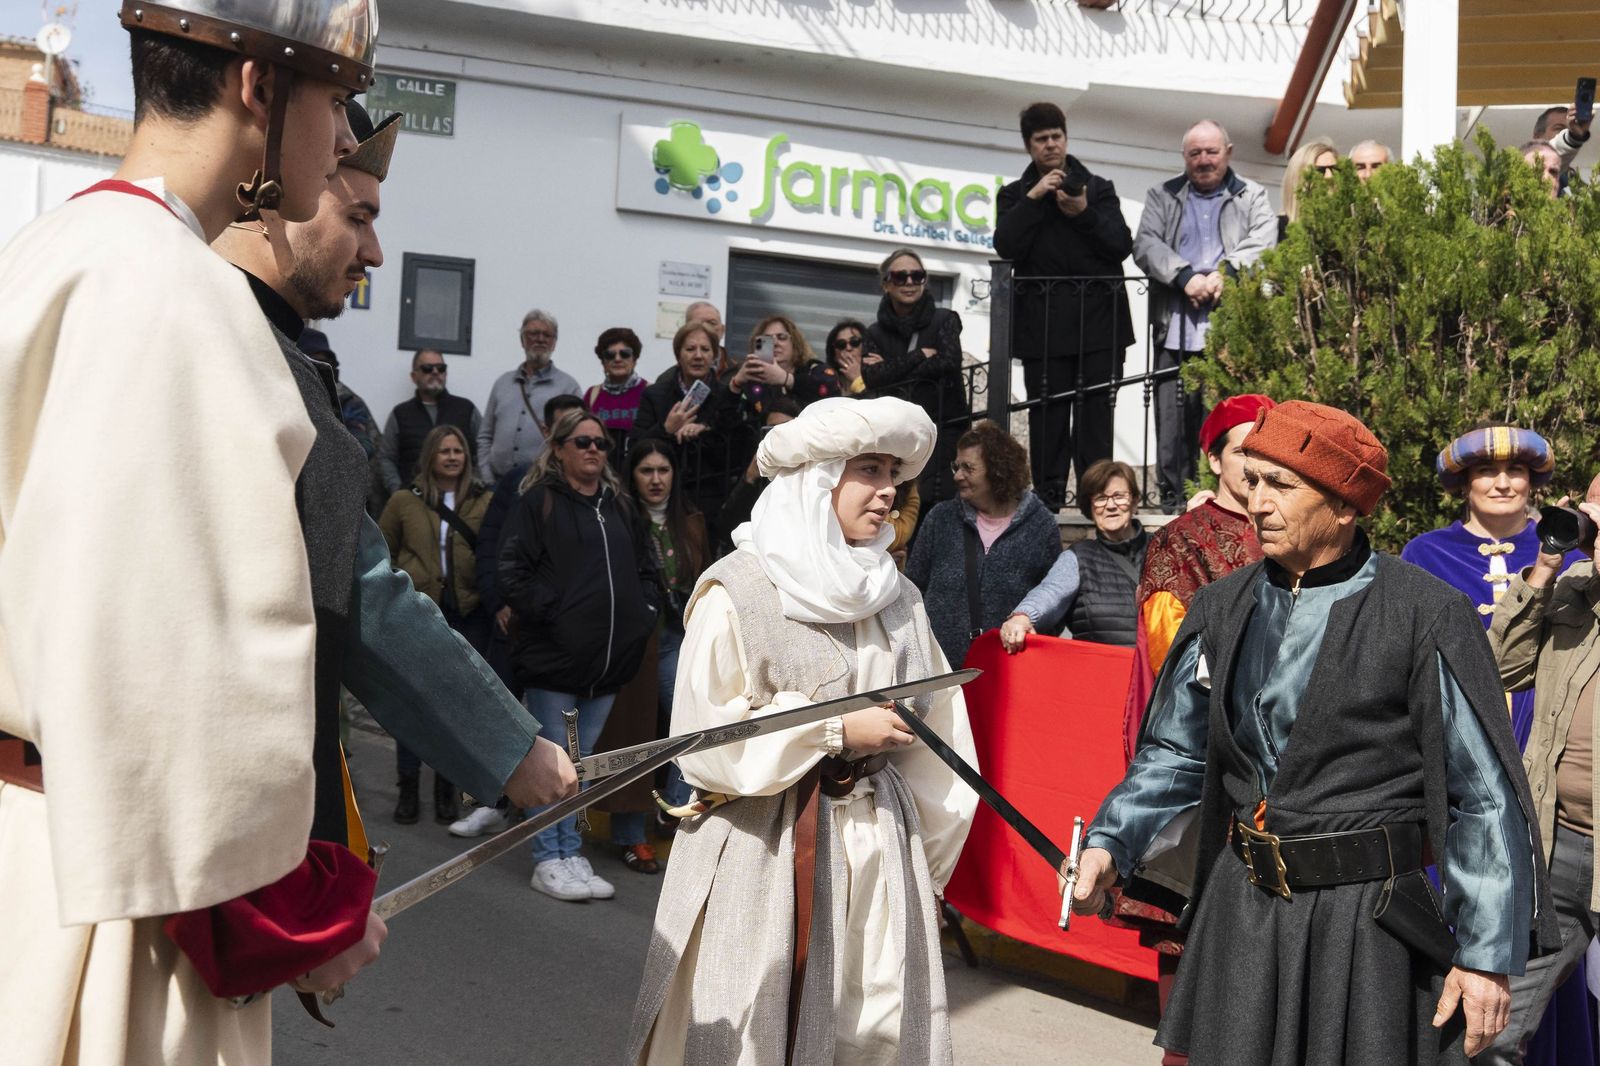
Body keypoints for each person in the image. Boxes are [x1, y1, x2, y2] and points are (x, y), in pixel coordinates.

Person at [0, 7, 573, 1062]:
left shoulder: (44, 252)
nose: (343, 135)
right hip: (129, 900)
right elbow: (186, 678)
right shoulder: (182, 298)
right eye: (335, 101)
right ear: (259, 88)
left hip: (38, 853)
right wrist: (290, 915)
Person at [1071, 400, 1556, 1065]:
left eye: (1281, 485)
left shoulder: (1424, 613)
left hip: (1365, 931)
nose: (1257, 503)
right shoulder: (1221, 608)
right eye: (1254, 480)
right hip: (1242, 913)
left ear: (1345, 505)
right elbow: (1175, 752)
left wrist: (1485, 954)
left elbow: (1483, 792)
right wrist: (1110, 842)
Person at [627, 396, 977, 1065]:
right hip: (763, 847)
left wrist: (925, 871)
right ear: (818, 479)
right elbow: (702, 740)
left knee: (875, 1030)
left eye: (893, 474)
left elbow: (941, 739)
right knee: (755, 1030)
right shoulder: (739, 590)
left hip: (880, 852)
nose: (888, 490)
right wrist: (831, 730)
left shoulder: (898, 596)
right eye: (869, 470)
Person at [500, 408, 661, 901]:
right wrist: (558, 616)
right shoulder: (539, 501)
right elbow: (512, 571)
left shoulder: (619, 506)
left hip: (606, 666)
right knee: (553, 763)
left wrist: (643, 614)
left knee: (583, 764)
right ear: (559, 448)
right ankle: (547, 857)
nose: (594, 449)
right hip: (554, 660)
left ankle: (570, 852)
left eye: (601, 443)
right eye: (583, 441)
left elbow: (646, 568)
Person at [1484, 474, 1600, 1065]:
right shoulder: (1576, 585)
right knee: (1495, 1029)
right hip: (1558, 842)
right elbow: (1501, 666)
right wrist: (1544, 569)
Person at [448, 390, 592, 840]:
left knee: (557, 735)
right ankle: (490, 802)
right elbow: (491, 547)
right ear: (549, 434)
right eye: (563, 428)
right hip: (512, 625)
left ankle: (548, 828)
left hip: (560, 636)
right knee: (500, 714)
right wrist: (499, 603)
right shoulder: (518, 481)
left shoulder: (592, 491)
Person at [994, 102, 1135, 508]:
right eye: (1042, 139)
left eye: (1057, 136)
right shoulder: (1014, 195)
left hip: (1099, 327)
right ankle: (1048, 504)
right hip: (1042, 332)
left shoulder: (1097, 188)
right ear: (1029, 145)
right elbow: (1006, 245)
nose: (1051, 145)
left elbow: (1121, 245)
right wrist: (1035, 197)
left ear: (1066, 139)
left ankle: (1097, 504)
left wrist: (1084, 212)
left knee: (1095, 421)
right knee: (1047, 422)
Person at [1133, 120, 1278, 512]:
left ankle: (1225, 503)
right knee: (1171, 426)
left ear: (1227, 152)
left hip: (1229, 334)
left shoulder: (1251, 195)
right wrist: (1184, 277)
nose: (1203, 160)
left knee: (1225, 428)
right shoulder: (1162, 195)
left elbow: (1264, 240)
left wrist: (1225, 274)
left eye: (1211, 152)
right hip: (1174, 331)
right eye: (1194, 153)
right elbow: (1145, 243)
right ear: (1184, 157)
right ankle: (1173, 506)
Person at [378, 425, 493, 825]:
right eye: (444, 450)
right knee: (413, 705)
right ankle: (408, 788)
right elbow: (381, 551)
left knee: (456, 709)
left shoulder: (484, 500)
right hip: (416, 613)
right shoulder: (403, 500)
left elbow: (493, 551)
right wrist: (399, 588)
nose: (452, 457)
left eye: (458, 450)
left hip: (467, 613)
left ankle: (446, 789)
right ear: (430, 456)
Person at [614, 439, 710, 851]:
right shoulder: (619, 517)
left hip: (678, 637)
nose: (656, 479)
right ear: (632, 475)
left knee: (692, 723)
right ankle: (629, 835)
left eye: (663, 470)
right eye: (646, 471)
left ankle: (672, 809)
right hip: (633, 640)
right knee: (634, 734)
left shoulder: (690, 519)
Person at [906, 420, 1061, 666]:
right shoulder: (940, 519)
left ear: (998, 470)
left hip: (1008, 668)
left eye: (968, 468)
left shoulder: (1041, 526)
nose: (957, 476)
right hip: (940, 667)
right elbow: (913, 588)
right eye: (956, 466)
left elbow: (1053, 602)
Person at [862, 248, 971, 509]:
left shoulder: (945, 319)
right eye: (900, 276)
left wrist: (891, 368)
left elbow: (949, 362)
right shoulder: (875, 332)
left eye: (917, 275)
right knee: (897, 504)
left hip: (943, 428)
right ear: (886, 284)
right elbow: (872, 377)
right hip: (896, 433)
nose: (909, 282)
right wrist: (919, 355)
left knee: (936, 502)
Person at [1000, 459, 1147, 650]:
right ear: (1090, 507)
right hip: (1104, 667)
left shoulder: (1164, 547)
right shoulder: (1077, 557)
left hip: (1160, 668)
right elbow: (1050, 592)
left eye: (1119, 496)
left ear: (1134, 501)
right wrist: (1022, 616)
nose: (1111, 505)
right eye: (1101, 498)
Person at [634, 321, 749, 539]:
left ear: (714, 355)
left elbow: (735, 450)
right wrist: (666, 429)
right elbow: (636, 446)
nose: (698, 356)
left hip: (710, 502)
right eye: (690, 349)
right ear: (678, 354)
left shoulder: (725, 395)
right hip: (663, 499)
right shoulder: (655, 394)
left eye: (705, 349)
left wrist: (706, 430)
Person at [478, 309, 581, 481]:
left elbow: (574, 440)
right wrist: (486, 476)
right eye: (534, 333)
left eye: (547, 335)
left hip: (543, 484)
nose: (540, 339)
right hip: (497, 483)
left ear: (554, 343)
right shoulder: (502, 383)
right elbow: (485, 435)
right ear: (522, 340)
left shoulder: (568, 387)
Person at [378, 348, 483, 495]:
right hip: (414, 499)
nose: (435, 372)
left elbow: (484, 450)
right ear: (414, 376)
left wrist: (475, 485)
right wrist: (399, 492)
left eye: (441, 368)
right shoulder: (400, 414)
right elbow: (386, 458)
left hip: (461, 499)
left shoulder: (467, 409)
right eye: (427, 368)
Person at [729, 314, 842, 422]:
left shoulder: (812, 370)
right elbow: (728, 422)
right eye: (767, 340)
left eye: (781, 337)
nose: (775, 343)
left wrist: (786, 379)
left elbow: (830, 387)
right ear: (758, 345)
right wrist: (736, 384)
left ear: (794, 343)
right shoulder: (752, 380)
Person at [585, 326, 650, 456]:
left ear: (634, 359)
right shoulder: (592, 395)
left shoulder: (650, 392)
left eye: (625, 354)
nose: (618, 359)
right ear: (603, 362)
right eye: (610, 355)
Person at [1278, 136, 1336, 238]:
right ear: (1299, 179)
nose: (1329, 177)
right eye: (1320, 171)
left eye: (1334, 170)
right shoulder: (1275, 231)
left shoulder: (1347, 233)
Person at [825, 318, 870, 395]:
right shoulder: (826, 381)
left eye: (854, 342)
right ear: (834, 355)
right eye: (841, 344)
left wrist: (858, 380)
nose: (848, 348)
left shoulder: (877, 376)